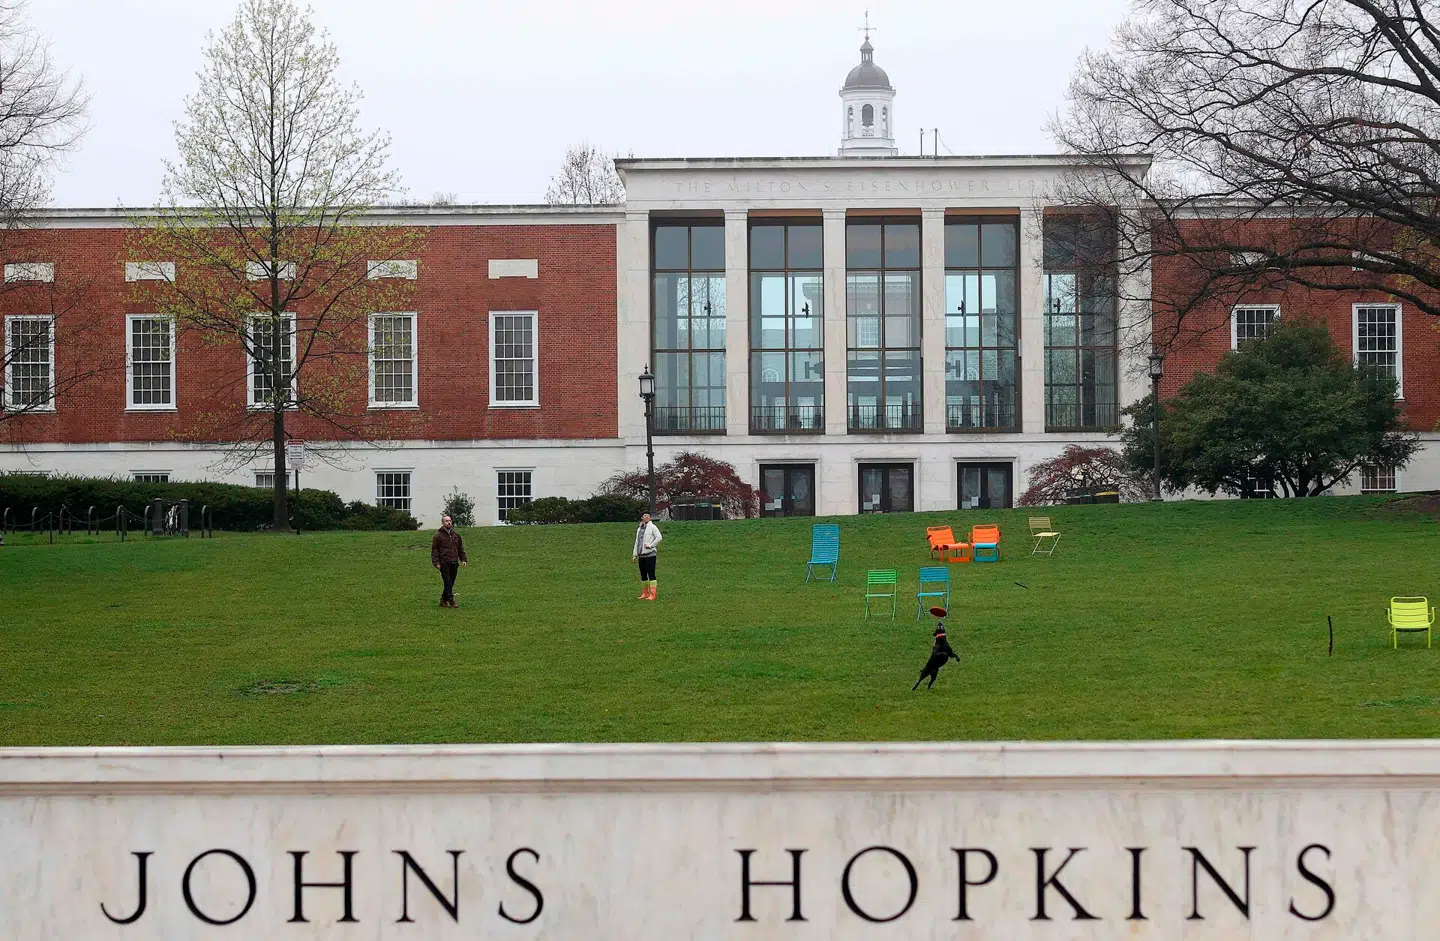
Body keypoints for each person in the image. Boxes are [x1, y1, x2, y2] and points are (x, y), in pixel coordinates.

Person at [430, 514, 467, 608]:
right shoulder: (438, 536)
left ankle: (443, 600)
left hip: (454, 562)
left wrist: (463, 559)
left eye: (450, 520)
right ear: (442, 523)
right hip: (444, 562)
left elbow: (460, 549)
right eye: (446, 521)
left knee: (451, 582)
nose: (449, 522)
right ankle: (451, 600)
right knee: (448, 582)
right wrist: (436, 563)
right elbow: (434, 550)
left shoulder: (456, 535)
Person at [631, 511, 662, 600]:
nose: (647, 517)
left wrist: (650, 545)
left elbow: (659, 537)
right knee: (643, 574)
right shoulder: (639, 528)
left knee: (651, 573)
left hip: (650, 555)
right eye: (645, 515)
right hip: (641, 555)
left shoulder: (652, 527)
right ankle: (645, 593)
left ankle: (652, 594)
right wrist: (635, 554)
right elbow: (637, 542)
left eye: (648, 516)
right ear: (642, 517)